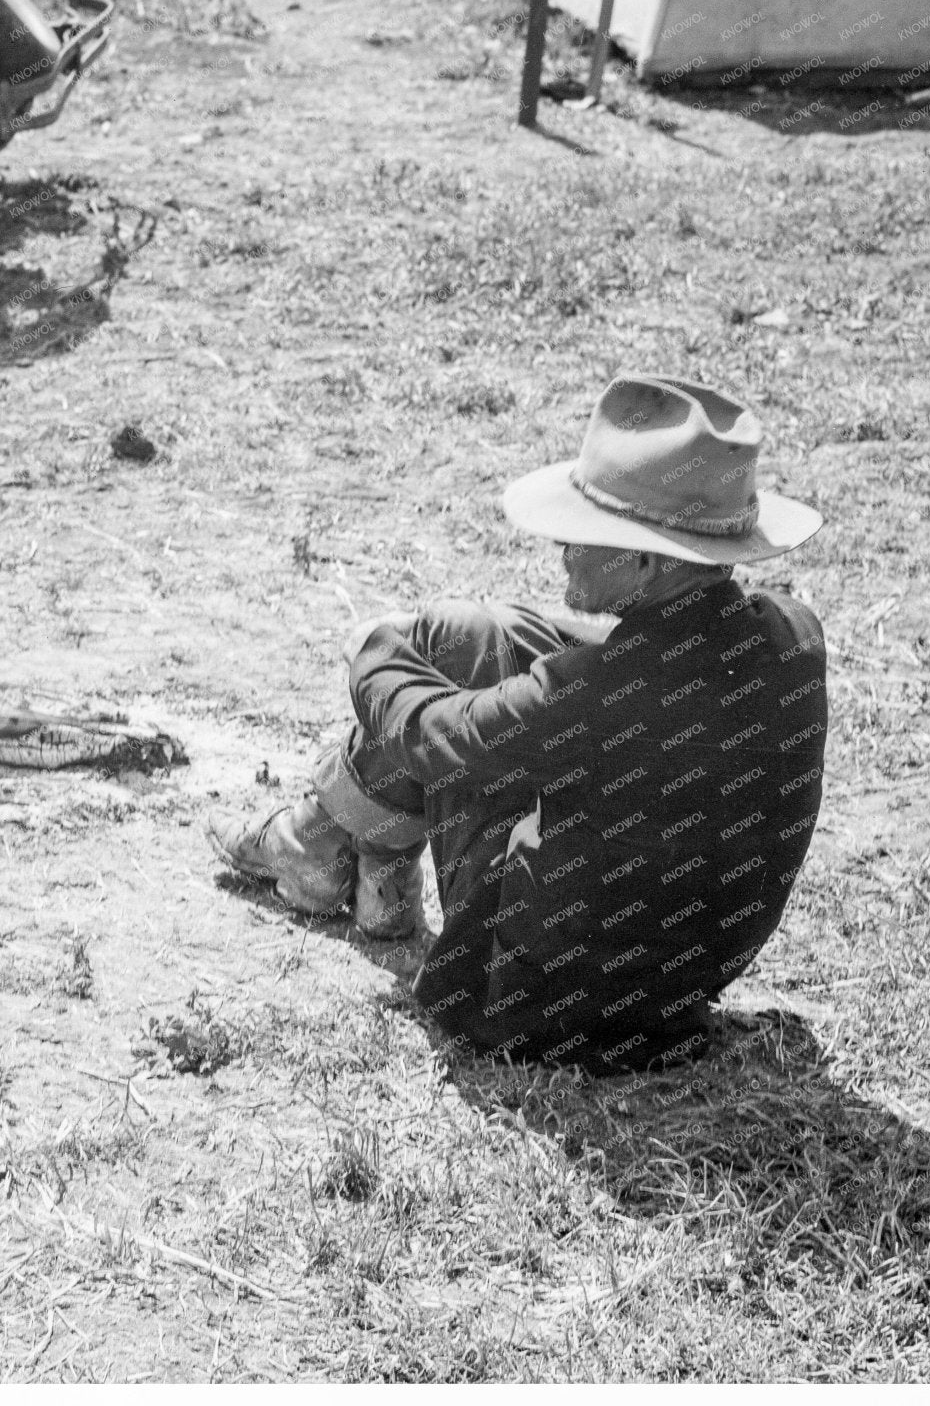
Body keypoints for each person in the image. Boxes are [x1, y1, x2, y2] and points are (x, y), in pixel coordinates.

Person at [208, 375, 828, 1075]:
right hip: (671, 999)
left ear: (649, 560)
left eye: (586, 532)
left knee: (435, 685)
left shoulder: (592, 700)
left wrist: (375, 650)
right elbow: (636, 674)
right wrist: (489, 635)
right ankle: (340, 854)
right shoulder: (793, 636)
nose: (561, 546)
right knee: (476, 635)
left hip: (532, 1011)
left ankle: (318, 844)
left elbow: (427, 734)